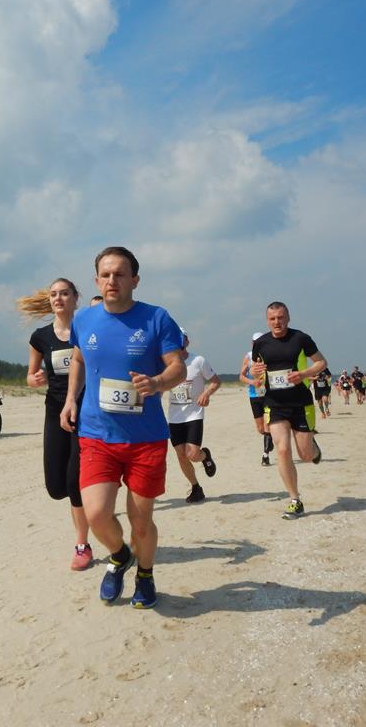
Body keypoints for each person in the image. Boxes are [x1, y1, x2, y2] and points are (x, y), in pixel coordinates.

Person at [61, 246, 185, 609]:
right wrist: (71, 399)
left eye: (120, 274)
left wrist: (157, 383)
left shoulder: (156, 318)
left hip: (146, 438)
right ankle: (119, 556)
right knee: (97, 514)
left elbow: (177, 367)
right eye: (105, 274)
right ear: (96, 280)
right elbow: (78, 359)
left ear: (135, 280)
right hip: (97, 433)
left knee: (140, 521)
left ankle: (145, 573)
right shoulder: (84, 320)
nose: (112, 280)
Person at [20, 279, 93, 570]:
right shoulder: (40, 337)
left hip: (85, 413)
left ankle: (82, 544)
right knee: (56, 487)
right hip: (54, 412)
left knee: (75, 482)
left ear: (76, 298)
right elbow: (30, 376)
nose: (58, 298)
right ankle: (95, 498)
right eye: (54, 294)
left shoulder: (88, 330)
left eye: (64, 293)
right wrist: (34, 379)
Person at [250, 302, 327, 520]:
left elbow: (321, 362)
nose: (277, 322)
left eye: (281, 317)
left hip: (301, 403)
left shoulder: (301, 338)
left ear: (288, 318)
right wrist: (254, 372)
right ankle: (295, 500)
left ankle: (313, 448)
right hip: (274, 403)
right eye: (272, 318)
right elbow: (257, 374)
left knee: (305, 455)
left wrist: (303, 374)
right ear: (267, 321)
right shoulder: (261, 343)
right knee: (282, 450)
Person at [168, 328, 221, 503]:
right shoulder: (165, 363)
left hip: (194, 415)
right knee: (181, 455)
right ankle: (196, 488)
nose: (177, 342)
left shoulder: (198, 361)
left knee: (192, 454)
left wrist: (206, 393)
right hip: (174, 417)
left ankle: (205, 455)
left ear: (186, 341)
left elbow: (215, 381)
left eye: (180, 338)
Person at [240, 332, 274, 466]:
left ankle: (265, 455)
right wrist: (252, 382)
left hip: (269, 395)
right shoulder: (248, 357)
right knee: (261, 429)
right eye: (255, 342)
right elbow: (241, 376)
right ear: (252, 343)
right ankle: (269, 439)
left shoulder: (270, 355)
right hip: (254, 396)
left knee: (267, 424)